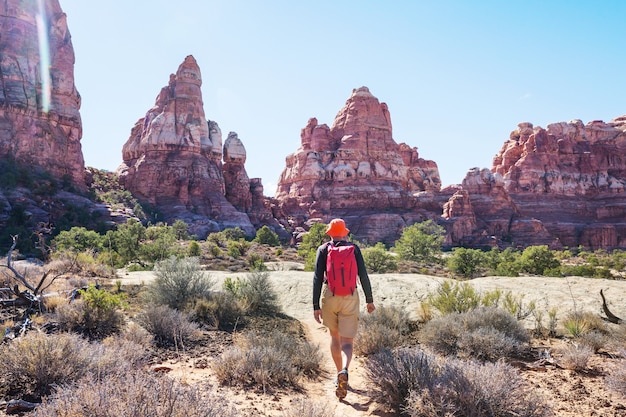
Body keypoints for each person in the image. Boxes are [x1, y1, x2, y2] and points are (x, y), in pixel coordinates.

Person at [313, 218, 375, 399]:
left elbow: (317, 278)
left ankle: (338, 371)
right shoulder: (354, 249)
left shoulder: (323, 249)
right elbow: (363, 275)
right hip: (350, 295)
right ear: (345, 233)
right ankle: (346, 370)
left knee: (334, 336)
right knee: (347, 341)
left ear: (330, 233)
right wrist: (369, 300)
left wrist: (316, 305)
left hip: (330, 295)